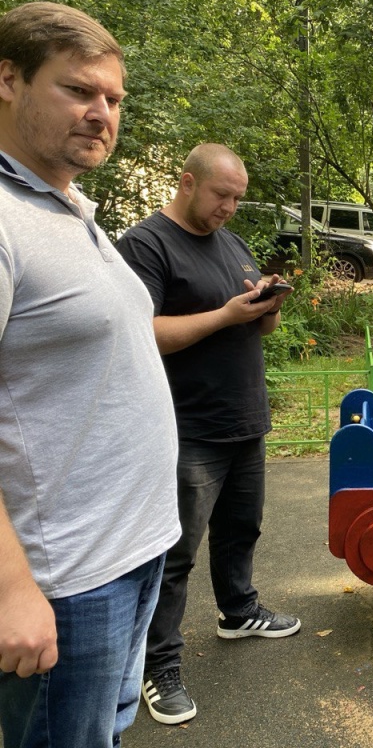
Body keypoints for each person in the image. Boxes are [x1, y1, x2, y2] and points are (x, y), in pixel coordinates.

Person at [0, 1, 181, 746]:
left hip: (132, 551)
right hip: (65, 580)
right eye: (78, 90)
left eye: (113, 98)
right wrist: (11, 589)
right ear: (8, 80)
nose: (102, 114)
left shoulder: (67, 205)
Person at [116, 143, 300, 725]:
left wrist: (266, 305)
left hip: (243, 418)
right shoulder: (146, 245)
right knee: (172, 555)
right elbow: (139, 333)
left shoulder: (232, 242)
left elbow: (258, 326)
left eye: (237, 199)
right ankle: (157, 667)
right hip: (185, 426)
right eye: (222, 195)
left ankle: (238, 611)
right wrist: (225, 314)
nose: (229, 208)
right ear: (187, 182)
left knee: (241, 529)